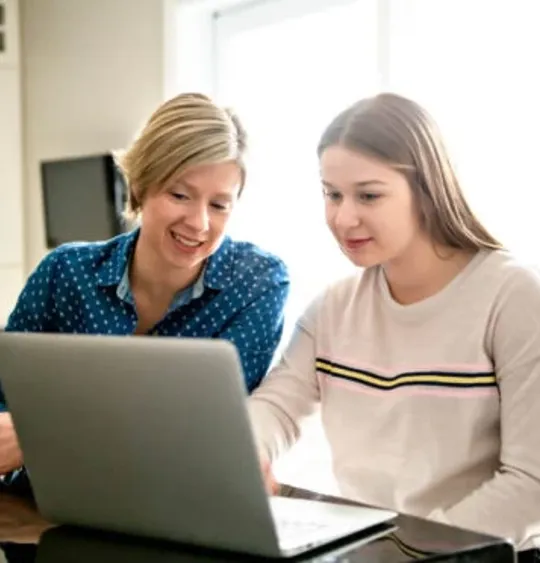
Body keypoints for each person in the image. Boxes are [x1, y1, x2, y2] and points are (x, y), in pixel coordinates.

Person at [248, 93, 540, 554]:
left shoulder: (514, 298)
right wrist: (248, 449)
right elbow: (277, 407)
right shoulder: (333, 308)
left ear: (426, 190)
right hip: (372, 551)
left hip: (477, 556)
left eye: (369, 195)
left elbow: (531, 484)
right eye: (332, 194)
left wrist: (411, 549)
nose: (344, 217)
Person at [0, 92, 290, 476]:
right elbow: (6, 393)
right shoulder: (65, 272)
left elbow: (203, 425)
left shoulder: (257, 283)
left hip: (173, 508)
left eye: (219, 205)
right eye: (180, 195)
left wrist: (40, 433)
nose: (199, 223)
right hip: (44, 505)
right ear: (140, 184)